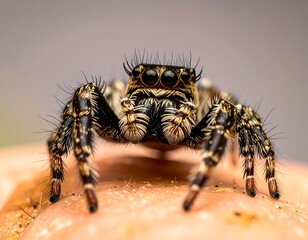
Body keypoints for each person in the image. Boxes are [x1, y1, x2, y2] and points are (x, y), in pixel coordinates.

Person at [1, 143, 307, 239]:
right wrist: (60, 177)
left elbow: (238, 115)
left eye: (178, 87)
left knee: (235, 108)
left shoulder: (210, 110)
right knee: (83, 96)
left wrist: (254, 176)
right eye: (146, 82)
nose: (159, 98)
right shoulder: (109, 103)